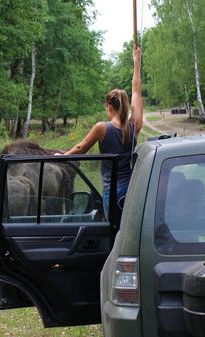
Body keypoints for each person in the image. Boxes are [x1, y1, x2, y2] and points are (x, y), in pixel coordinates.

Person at [60, 45, 143, 223]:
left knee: (113, 233)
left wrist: (62, 157)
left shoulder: (102, 128)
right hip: (131, 190)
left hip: (112, 192)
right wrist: (136, 64)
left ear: (109, 106)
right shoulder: (134, 125)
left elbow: (81, 148)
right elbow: (136, 90)